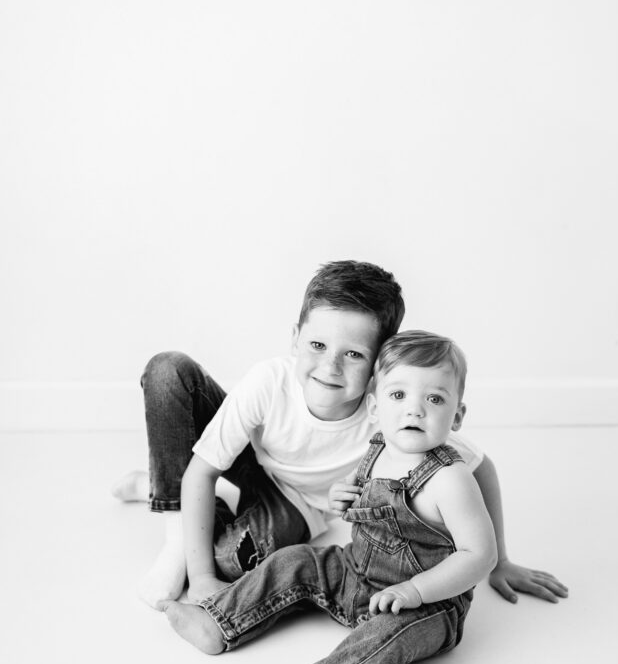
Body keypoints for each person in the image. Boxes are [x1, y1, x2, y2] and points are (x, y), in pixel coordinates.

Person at [116, 260, 567, 609]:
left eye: (352, 354)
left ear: (377, 365)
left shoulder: (388, 416)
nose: (329, 366)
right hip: (253, 462)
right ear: (295, 338)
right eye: (317, 346)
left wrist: (500, 559)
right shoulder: (269, 381)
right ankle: (174, 526)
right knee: (168, 370)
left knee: (231, 563)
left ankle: (159, 483)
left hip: (300, 505)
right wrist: (199, 577)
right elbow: (203, 470)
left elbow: (479, 465)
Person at [162, 330, 501, 664]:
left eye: (435, 399)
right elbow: (366, 510)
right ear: (374, 407)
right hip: (355, 573)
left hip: (425, 604)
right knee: (296, 559)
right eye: (398, 396)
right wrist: (343, 499)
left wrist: (414, 592)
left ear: (458, 415)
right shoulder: (376, 448)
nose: (415, 410)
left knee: (386, 640)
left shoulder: (451, 478)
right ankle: (220, 622)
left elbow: (479, 554)